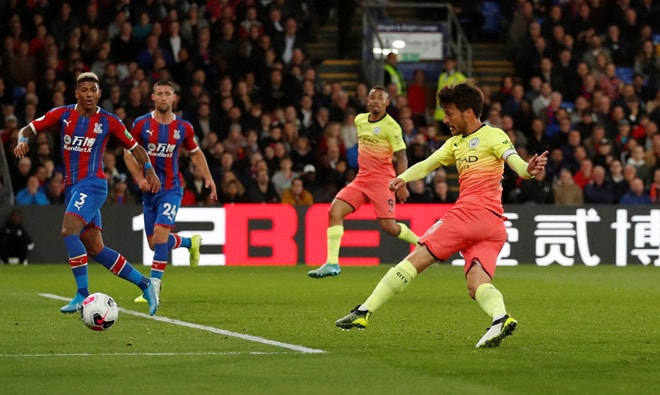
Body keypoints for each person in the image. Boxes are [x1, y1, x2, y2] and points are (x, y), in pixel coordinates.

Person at [335, 81, 548, 348]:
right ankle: (500, 318)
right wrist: (401, 178)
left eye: (449, 113)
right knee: (476, 283)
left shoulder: (493, 135)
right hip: (493, 226)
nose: (445, 119)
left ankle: (364, 311)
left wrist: (529, 169)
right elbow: (427, 164)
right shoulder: (455, 144)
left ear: (468, 112)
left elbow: (517, 164)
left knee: (417, 256)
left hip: (469, 215)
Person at [13, 72, 162, 315]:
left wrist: (149, 170)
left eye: (93, 90)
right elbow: (28, 129)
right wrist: (22, 140)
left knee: (68, 230)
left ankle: (82, 293)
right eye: (84, 90)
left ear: (99, 93)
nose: (89, 94)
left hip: (93, 184)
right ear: (77, 93)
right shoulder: (63, 114)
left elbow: (135, 147)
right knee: (96, 249)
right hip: (73, 188)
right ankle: (145, 284)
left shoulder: (109, 121)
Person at [307, 86, 419, 278]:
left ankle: (422, 245)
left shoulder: (392, 127)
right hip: (361, 179)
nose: (375, 101)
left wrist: (402, 184)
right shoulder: (360, 120)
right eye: (372, 97)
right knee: (334, 211)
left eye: (380, 98)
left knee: (389, 227)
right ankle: (332, 263)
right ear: (367, 101)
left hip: (382, 181)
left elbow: (402, 158)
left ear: (387, 102)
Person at [124, 80, 217, 303]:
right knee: (155, 244)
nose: (164, 97)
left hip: (171, 189)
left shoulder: (183, 128)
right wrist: (139, 178)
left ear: (174, 98)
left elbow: (195, 154)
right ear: (153, 97)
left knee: (160, 236)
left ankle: (152, 288)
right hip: (149, 192)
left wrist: (209, 177)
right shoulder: (140, 124)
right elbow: (129, 154)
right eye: (159, 93)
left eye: (168, 93)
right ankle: (189, 243)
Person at [433, 56, 466, 130]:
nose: (447, 65)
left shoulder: (460, 77)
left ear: (454, 63)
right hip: (440, 113)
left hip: (452, 112)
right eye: (446, 63)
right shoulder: (442, 76)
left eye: (450, 62)